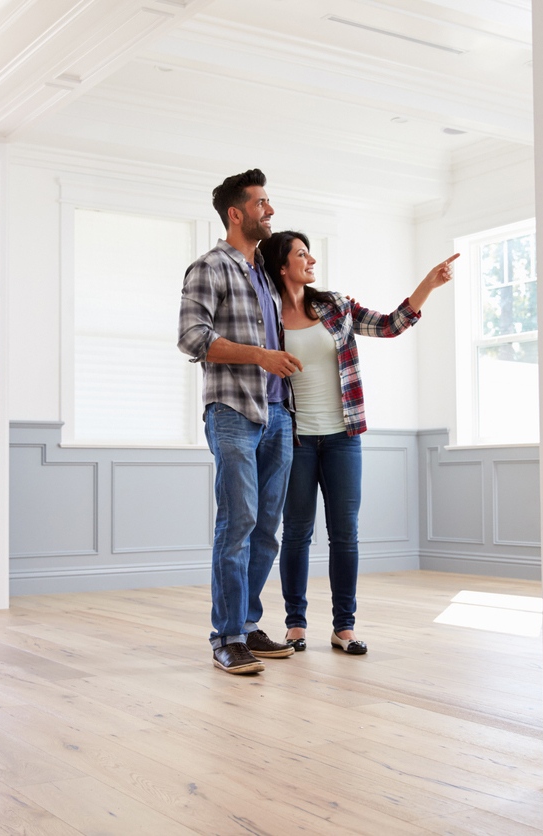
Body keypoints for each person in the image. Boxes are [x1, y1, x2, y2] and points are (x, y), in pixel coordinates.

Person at [258, 230, 459, 655]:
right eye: (301, 254)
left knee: (344, 534)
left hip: (343, 436)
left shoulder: (334, 306)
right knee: (295, 533)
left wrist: (427, 285)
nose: (311, 260)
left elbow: (389, 326)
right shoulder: (266, 315)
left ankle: (343, 627)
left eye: (310, 253)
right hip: (293, 438)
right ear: (282, 266)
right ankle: (295, 625)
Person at [177, 170, 304, 675]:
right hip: (233, 411)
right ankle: (226, 636)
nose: (269, 211)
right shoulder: (209, 268)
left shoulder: (265, 278)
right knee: (238, 524)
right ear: (236, 212)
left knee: (267, 530)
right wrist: (259, 356)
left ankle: (248, 625)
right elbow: (192, 338)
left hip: (278, 414)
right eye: (262, 203)